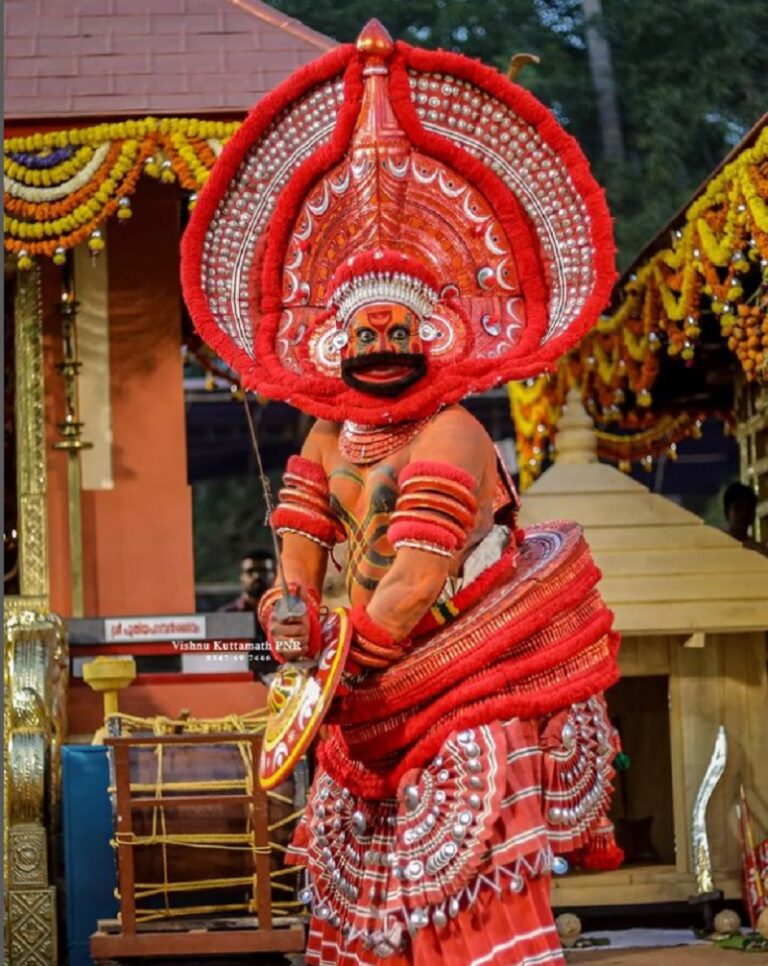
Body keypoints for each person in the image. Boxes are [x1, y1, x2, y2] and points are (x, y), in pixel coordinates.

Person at [183, 20, 622, 965]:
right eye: (363, 335)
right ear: (331, 343)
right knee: (354, 867)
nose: (381, 349)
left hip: (461, 678)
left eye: (398, 331)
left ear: (440, 334)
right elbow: (300, 538)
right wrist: (290, 610)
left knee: (467, 877)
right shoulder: (328, 431)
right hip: (365, 684)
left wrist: (343, 658)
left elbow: (417, 582)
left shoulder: (452, 432)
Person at [218, 549, 276, 613]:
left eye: (263, 571)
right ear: (241, 576)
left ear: (275, 575)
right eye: (250, 571)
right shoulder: (226, 614)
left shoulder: (284, 614)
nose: (256, 576)